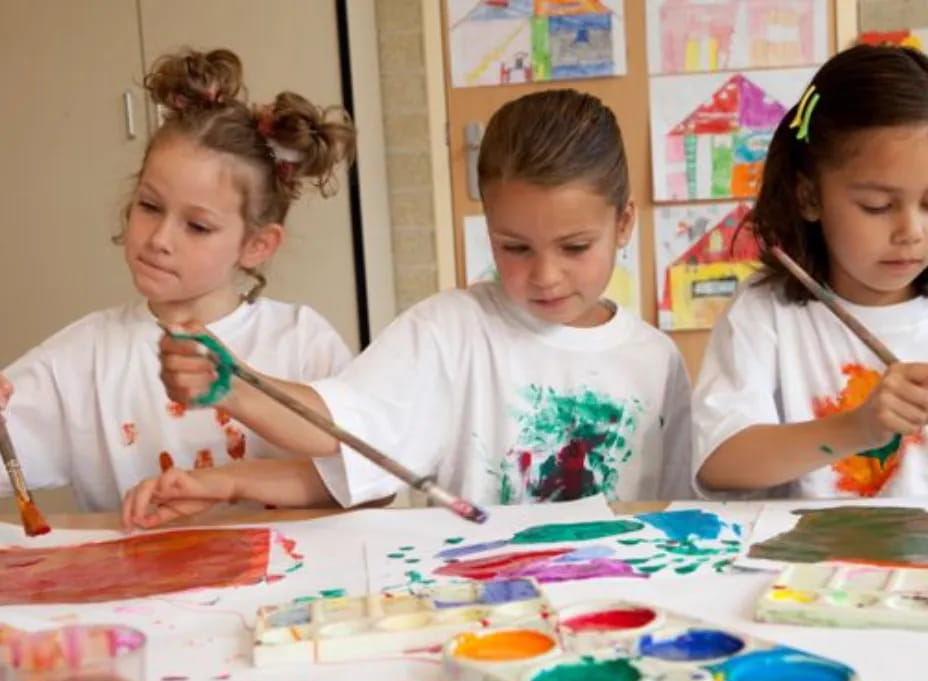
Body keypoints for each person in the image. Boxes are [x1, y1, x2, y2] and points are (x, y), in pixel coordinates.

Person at [124, 88, 693, 529]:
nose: (544, 275)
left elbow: (674, 511)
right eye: (513, 247)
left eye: (574, 247)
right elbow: (340, 428)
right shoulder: (449, 331)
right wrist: (237, 387)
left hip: (621, 603)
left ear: (623, 224)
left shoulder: (654, 359)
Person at [0, 48, 355, 510]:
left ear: (257, 245)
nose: (160, 238)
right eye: (149, 206)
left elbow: (369, 481)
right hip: (138, 581)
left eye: (198, 226)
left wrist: (234, 477)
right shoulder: (81, 357)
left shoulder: (302, 342)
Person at [694, 43, 928, 498]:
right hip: (810, 565)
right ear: (809, 197)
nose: (911, 232)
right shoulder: (768, 311)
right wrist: (857, 428)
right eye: (877, 206)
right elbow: (719, 464)